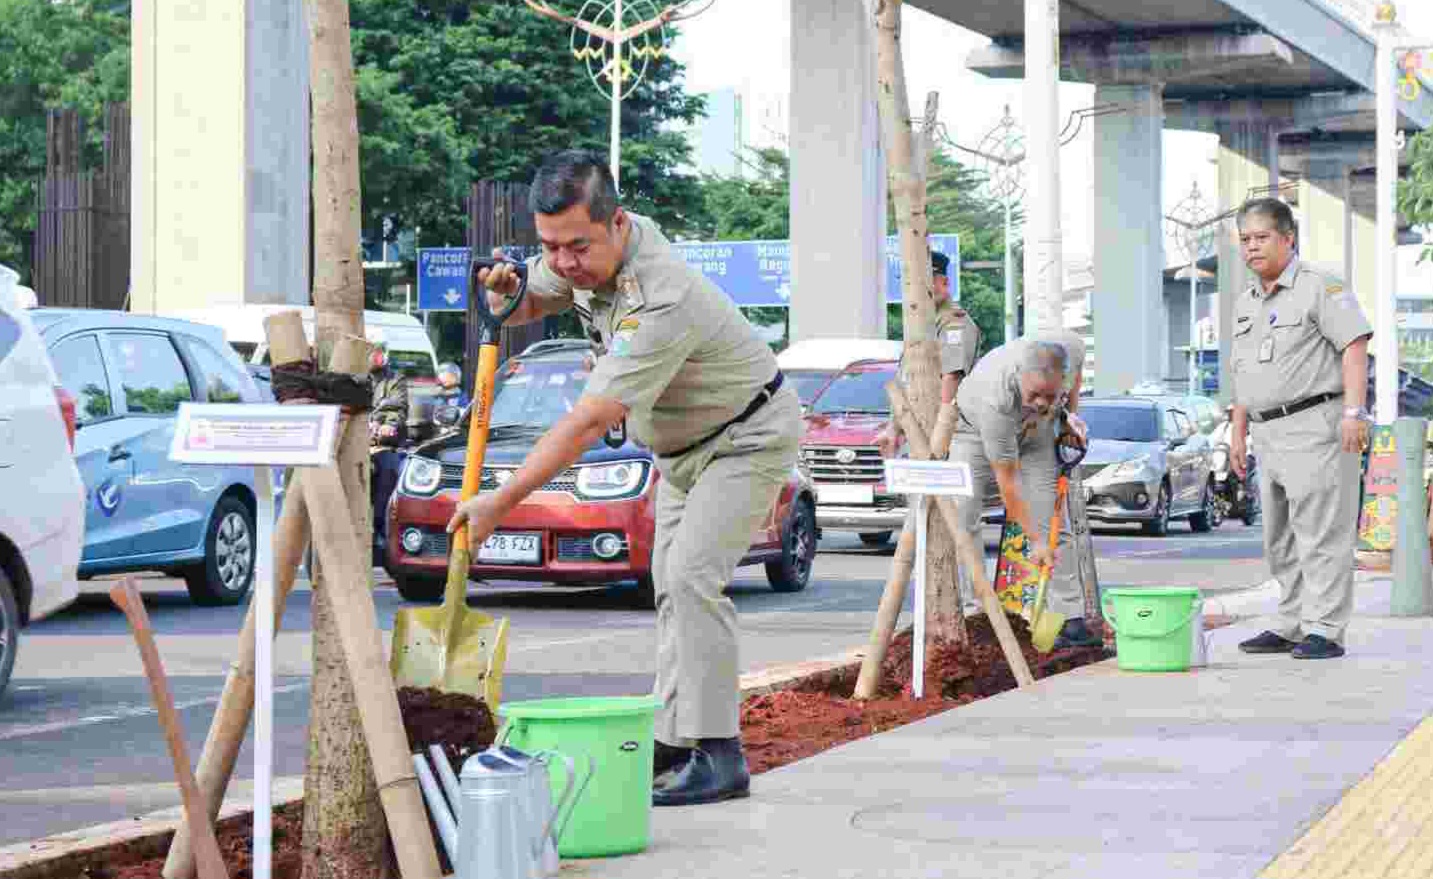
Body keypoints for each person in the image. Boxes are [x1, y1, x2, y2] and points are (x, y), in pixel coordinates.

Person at [447, 150, 801, 806]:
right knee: (670, 583)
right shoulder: (580, 257)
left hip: (746, 435)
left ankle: (719, 753)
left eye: (575, 245)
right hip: (679, 449)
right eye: (548, 246)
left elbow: (590, 421)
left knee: (693, 577)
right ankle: (676, 735)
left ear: (617, 223)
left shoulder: (658, 295)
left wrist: (502, 498)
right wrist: (509, 291)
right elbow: (531, 297)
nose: (562, 261)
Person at [1230, 197, 1371, 660]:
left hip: (1316, 424)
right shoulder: (1246, 301)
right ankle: (1291, 622)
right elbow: (1242, 374)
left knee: (1322, 533)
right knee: (1280, 536)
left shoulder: (1320, 286)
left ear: (1288, 239)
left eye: (1262, 237)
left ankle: (1325, 628)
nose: (1252, 247)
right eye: (1245, 239)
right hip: (1267, 433)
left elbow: (1353, 345)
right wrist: (1238, 433)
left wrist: (1355, 414)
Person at [950, 334, 1100, 649]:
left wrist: (1068, 417)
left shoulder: (1070, 348)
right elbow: (1009, 484)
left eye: (1051, 394)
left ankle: (1068, 618)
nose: (1043, 402)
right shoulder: (997, 399)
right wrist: (1034, 542)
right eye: (1035, 394)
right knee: (964, 517)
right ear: (1019, 375)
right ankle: (977, 615)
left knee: (1054, 525)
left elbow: (1072, 383)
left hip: (1039, 431)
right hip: (974, 432)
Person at [875, 250, 983, 457]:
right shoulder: (920, 325)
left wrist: (940, 438)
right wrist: (893, 429)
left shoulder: (953, 323)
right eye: (911, 283)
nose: (916, 290)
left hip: (947, 437)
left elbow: (952, 377)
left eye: (924, 282)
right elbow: (907, 381)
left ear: (943, 283)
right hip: (916, 434)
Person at [369, 344, 408, 558]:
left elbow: (396, 408)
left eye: (379, 350)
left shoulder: (395, 380)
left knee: (388, 468)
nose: (376, 354)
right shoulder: (351, 375)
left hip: (381, 444)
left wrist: (386, 425)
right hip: (351, 442)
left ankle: (381, 531)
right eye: (372, 349)